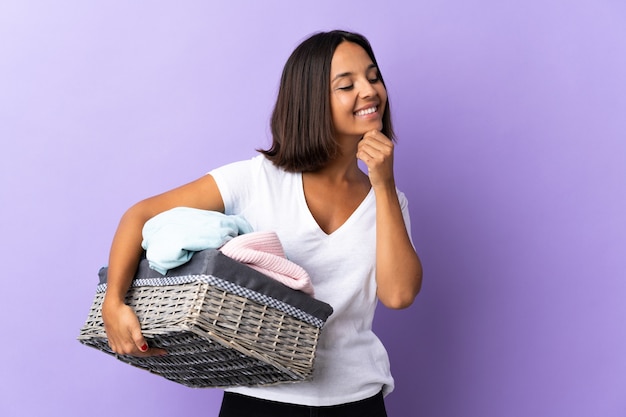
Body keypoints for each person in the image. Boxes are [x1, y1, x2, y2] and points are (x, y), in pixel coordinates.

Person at [102, 29, 422, 417]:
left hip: (356, 400)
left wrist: (384, 185)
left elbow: (399, 295)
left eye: (373, 77)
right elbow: (140, 215)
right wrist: (113, 302)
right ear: (312, 100)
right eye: (346, 84)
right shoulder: (257, 179)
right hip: (258, 399)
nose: (369, 91)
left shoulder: (388, 200)